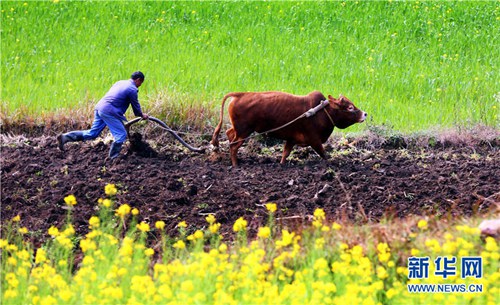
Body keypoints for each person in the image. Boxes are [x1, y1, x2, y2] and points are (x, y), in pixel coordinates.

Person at [57, 71, 149, 159]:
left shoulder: (120, 82)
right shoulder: (132, 89)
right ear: (138, 80)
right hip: (109, 111)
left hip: (100, 107)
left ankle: (65, 137)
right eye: (141, 82)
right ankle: (113, 158)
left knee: (93, 133)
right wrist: (142, 115)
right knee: (121, 135)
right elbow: (136, 107)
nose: (140, 85)